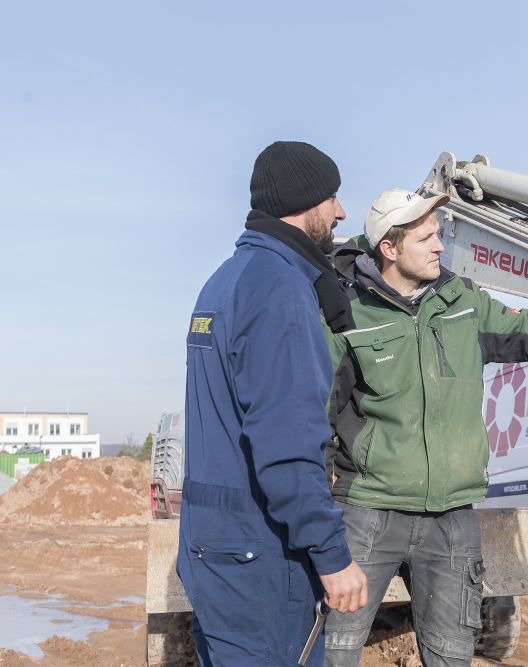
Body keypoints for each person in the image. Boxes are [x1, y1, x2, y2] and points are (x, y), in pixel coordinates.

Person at [323, 187, 528, 666]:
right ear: (389, 249)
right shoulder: (345, 315)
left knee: (453, 656)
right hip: (367, 515)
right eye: (426, 238)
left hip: (452, 519)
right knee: (334, 653)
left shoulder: (463, 304)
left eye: (438, 235)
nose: (439, 246)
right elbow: (315, 416)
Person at [178, 141, 368, 666]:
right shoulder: (280, 288)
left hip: (212, 549)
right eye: (332, 197)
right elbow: (285, 446)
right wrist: (331, 555)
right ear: (303, 202)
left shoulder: (224, 281)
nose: (341, 212)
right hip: (259, 557)